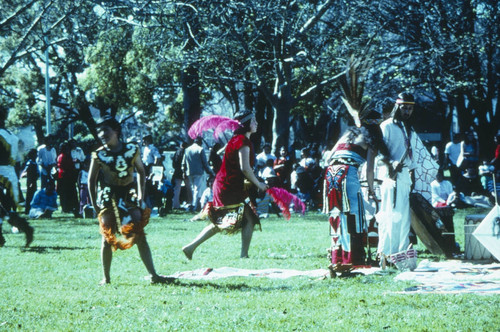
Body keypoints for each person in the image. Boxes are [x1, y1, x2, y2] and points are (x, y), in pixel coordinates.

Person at [88, 115, 171, 285]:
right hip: (108, 196)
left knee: (139, 234)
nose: (102, 134)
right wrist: (94, 203)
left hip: (129, 195)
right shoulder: (99, 154)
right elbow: (91, 180)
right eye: (100, 131)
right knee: (106, 237)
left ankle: (154, 275)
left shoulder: (132, 150)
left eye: (106, 130)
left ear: (116, 131)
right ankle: (106, 278)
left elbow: (141, 172)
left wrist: (141, 195)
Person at [182, 111, 268, 259]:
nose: (257, 123)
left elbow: (228, 157)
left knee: (246, 218)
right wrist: (259, 184)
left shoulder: (237, 140)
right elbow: (245, 168)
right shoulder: (242, 142)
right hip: (228, 187)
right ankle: (192, 247)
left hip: (228, 185)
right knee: (233, 219)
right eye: (253, 121)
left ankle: (242, 254)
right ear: (246, 124)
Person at [323, 113, 379, 270]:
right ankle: (353, 258)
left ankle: (337, 257)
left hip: (331, 173)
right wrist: (372, 189)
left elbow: (328, 158)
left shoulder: (348, 134)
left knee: (336, 213)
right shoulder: (371, 139)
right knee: (354, 213)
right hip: (348, 173)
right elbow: (369, 170)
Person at [377, 92, 418, 263]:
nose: (407, 111)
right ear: (397, 107)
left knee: (403, 219)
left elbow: (411, 156)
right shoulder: (386, 126)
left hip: (404, 179)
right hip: (389, 178)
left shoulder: (409, 128)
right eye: (404, 108)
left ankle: (400, 255)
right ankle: (386, 255)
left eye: (410, 109)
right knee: (390, 217)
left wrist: (412, 174)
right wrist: (391, 164)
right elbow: (379, 152)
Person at [0, 108, 34, 247]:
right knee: (4, 207)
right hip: (9, 173)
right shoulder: (11, 136)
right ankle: (24, 228)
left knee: (4, 208)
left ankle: (25, 228)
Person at [182, 136, 215, 212]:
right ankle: (195, 205)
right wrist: (211, 172)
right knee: (197, 189)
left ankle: (193, 204)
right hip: (198, 172)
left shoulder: (187, 149)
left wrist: (183, 171)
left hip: (189, 172)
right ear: (200, 142)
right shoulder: (200, 149)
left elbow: (183, 162)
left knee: (193, 188)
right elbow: (205, 163)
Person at [57, 141, 80, 217]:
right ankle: (66, 207)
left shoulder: (65, 156)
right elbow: (65, 166)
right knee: (65, 193)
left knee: (69, 193)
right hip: (65, 177)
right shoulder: (63, 156)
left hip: (68, 176)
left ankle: (70, 207)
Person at [171, 142, 190, 209]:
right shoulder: (187, 152)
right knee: (189, 188)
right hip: (186, 172)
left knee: (177, 189)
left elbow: (174, 163)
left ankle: (175, 205)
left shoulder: (177, 152)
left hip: (177, 172)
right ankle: (190, 203)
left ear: (181, 145)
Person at [20, 148, 39, 215]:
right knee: (29, 195)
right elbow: (27, 171)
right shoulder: (30, 163)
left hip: (34, 181)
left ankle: (32, 209)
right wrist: (30, 182)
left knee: (33, 195)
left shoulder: (34, 162)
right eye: (35, 154)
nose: (36, 155)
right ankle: (27, 210)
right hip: (31, 181)